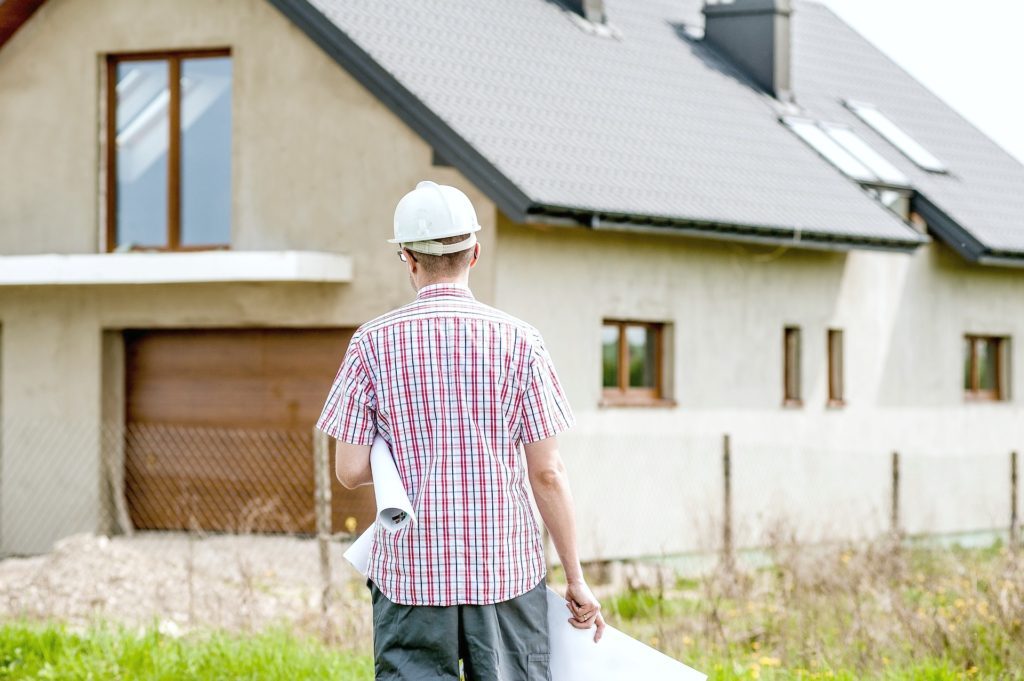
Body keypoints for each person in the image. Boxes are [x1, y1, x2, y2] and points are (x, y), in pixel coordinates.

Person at [316, 180, 605, 680]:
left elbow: (349, 469)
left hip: (410, 578)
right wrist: (575, 578)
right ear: (474, 252)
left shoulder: (371, 344)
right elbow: (549, 473)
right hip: (505, 575)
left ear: (407, 258)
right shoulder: (520, 341)